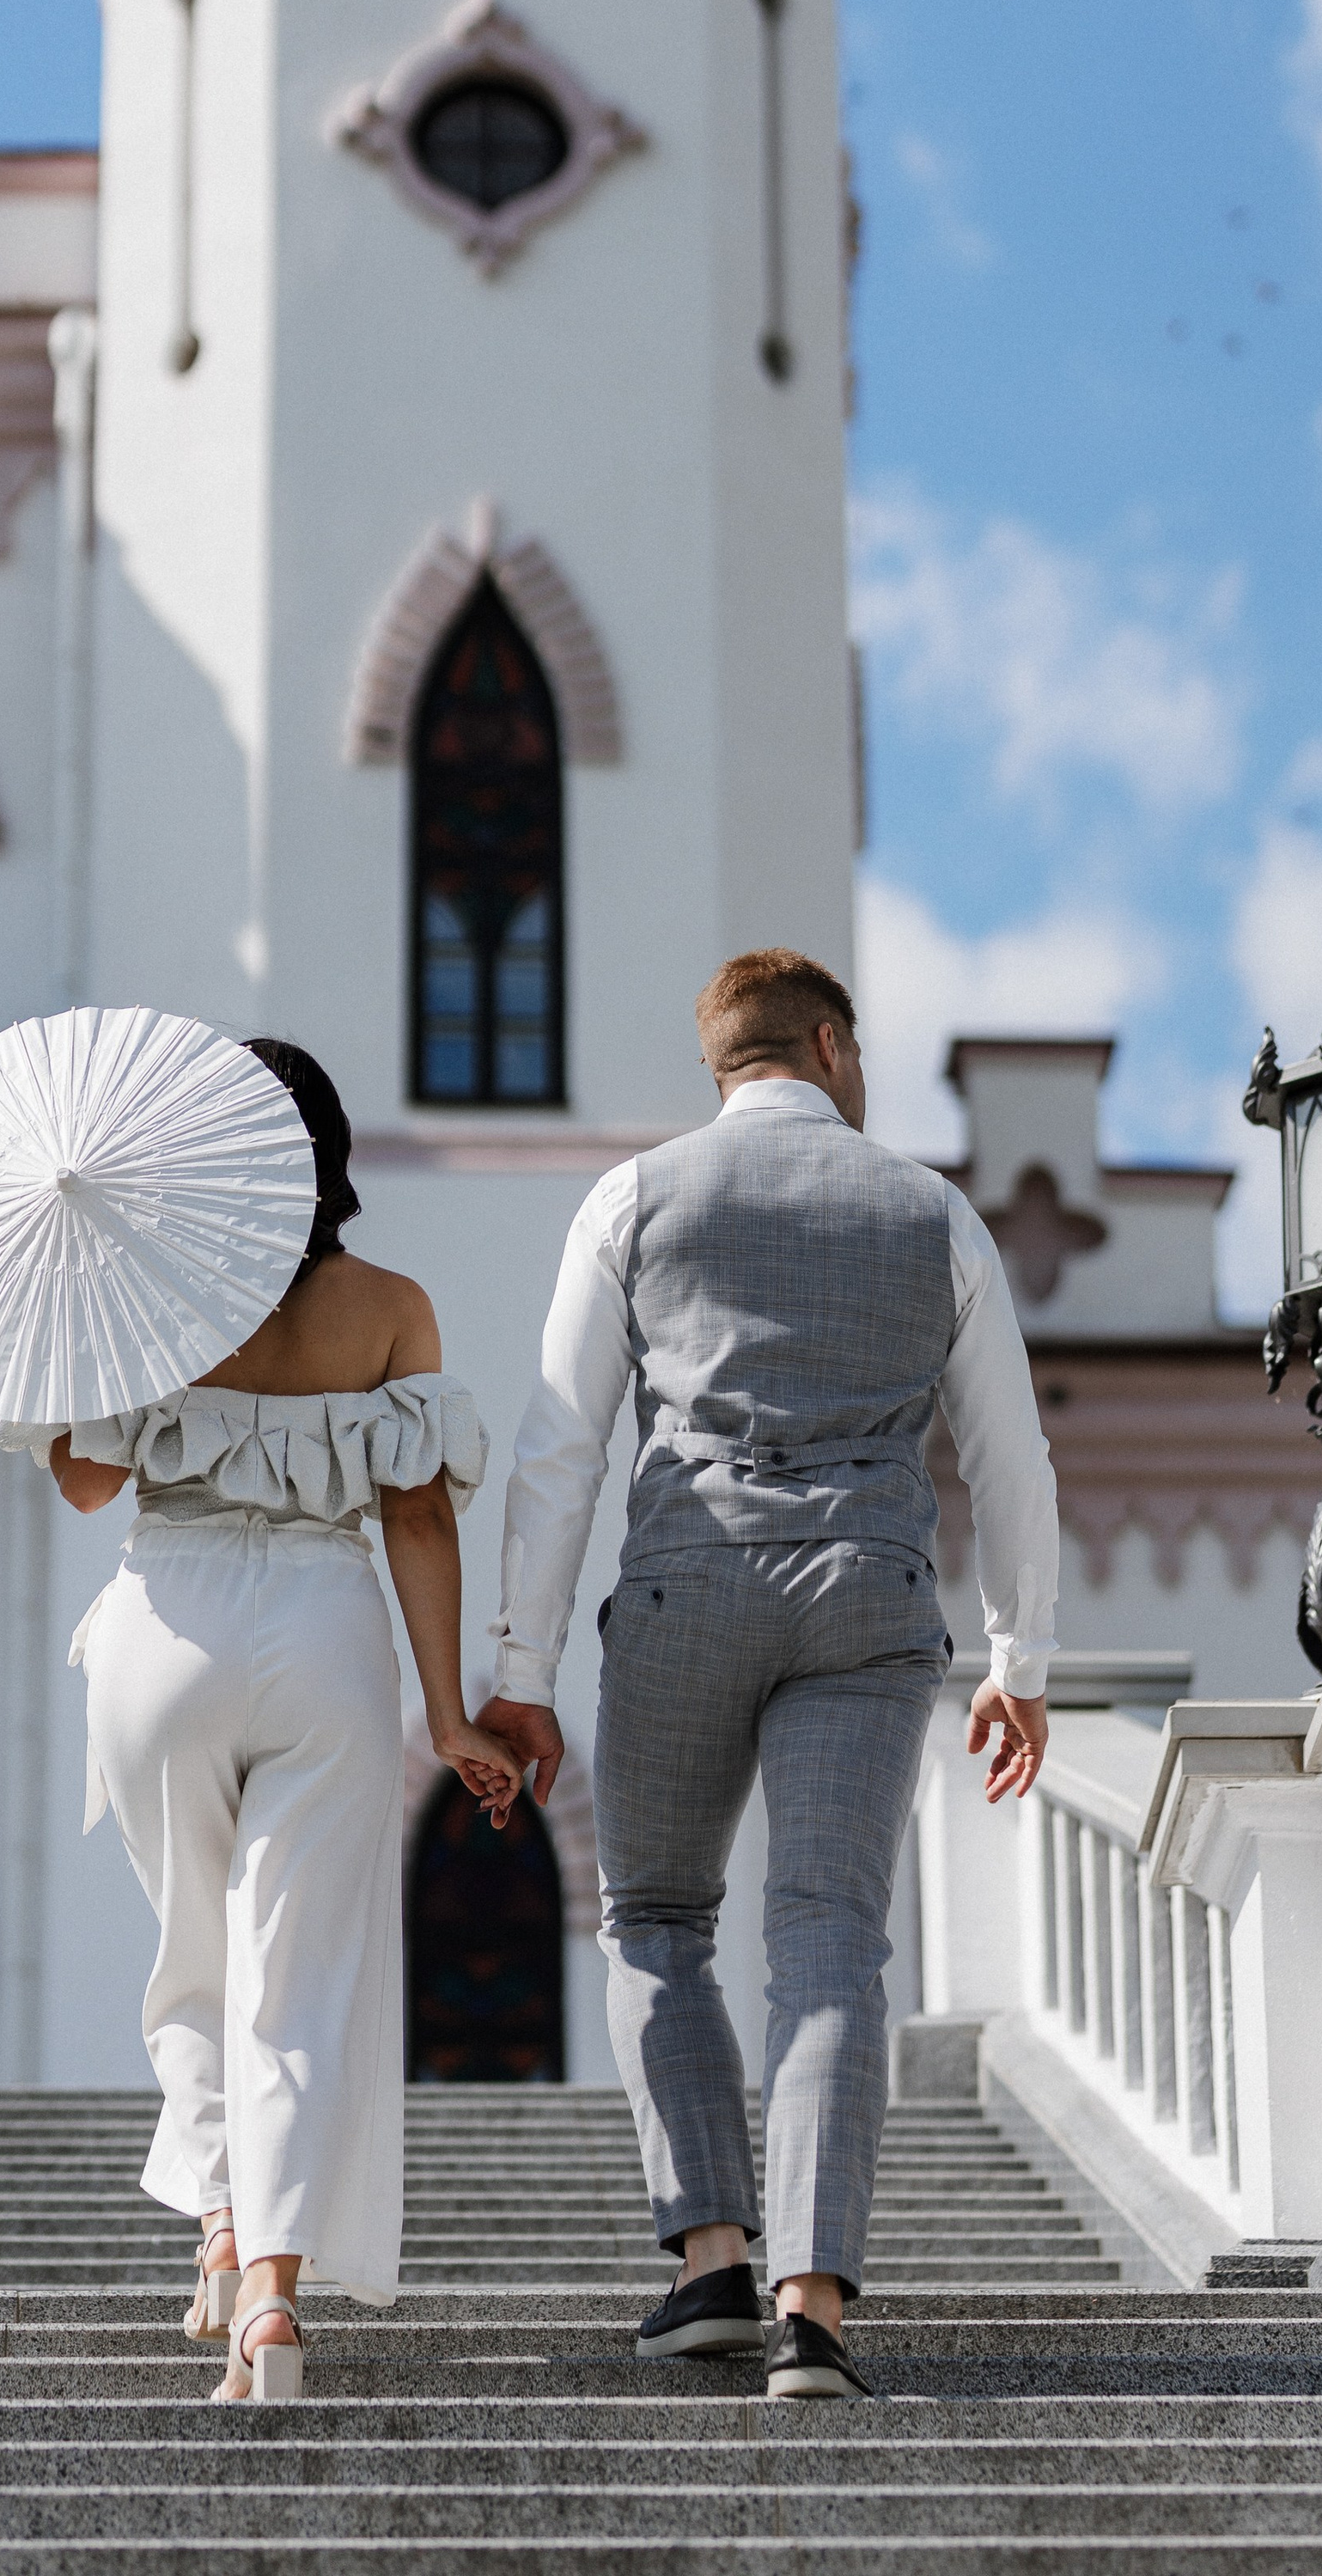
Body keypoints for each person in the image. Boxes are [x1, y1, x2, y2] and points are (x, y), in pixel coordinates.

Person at [478, 949, 1058, 2399]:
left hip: (688, 1580)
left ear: (723, 1064)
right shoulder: (934, 1213)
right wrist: (1022, 1657)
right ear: (831, 1046)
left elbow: (561, 1447)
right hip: (867, 1593)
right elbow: (1010, 1456)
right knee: (830, 1935)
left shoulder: (633, 1199)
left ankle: (710, 2264)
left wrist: (521, 1665)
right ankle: (813, 2310)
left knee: (656, 1917)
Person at [0, 1038, 521, 2405]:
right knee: (300, 1970)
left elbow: (87, 1483)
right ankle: (273, 2298)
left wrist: (77, 1319)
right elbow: (418, 1513)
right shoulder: (392, 1306)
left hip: (165, 1628)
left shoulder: (143, 1292)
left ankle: (223, 2224)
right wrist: (451, 1713)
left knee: (192, 1952)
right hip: (326, 1630)